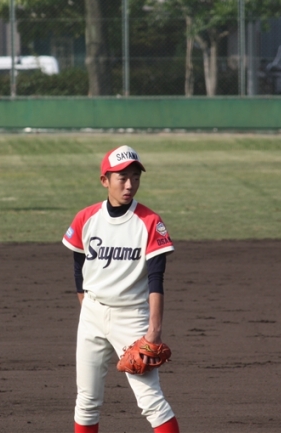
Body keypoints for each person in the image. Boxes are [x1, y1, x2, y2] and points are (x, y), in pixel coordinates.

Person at [62, 145, 180, 433]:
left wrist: (154, 331)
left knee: (151, 402)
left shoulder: (150, 222)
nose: (130, 185)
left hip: (132, 317)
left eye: (135, 178)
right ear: (105, 180)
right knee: (86, 401)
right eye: (122, 178)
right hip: (92, 314)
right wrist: (88, 309)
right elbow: (78, 270)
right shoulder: (86, 218)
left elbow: (156, 279)